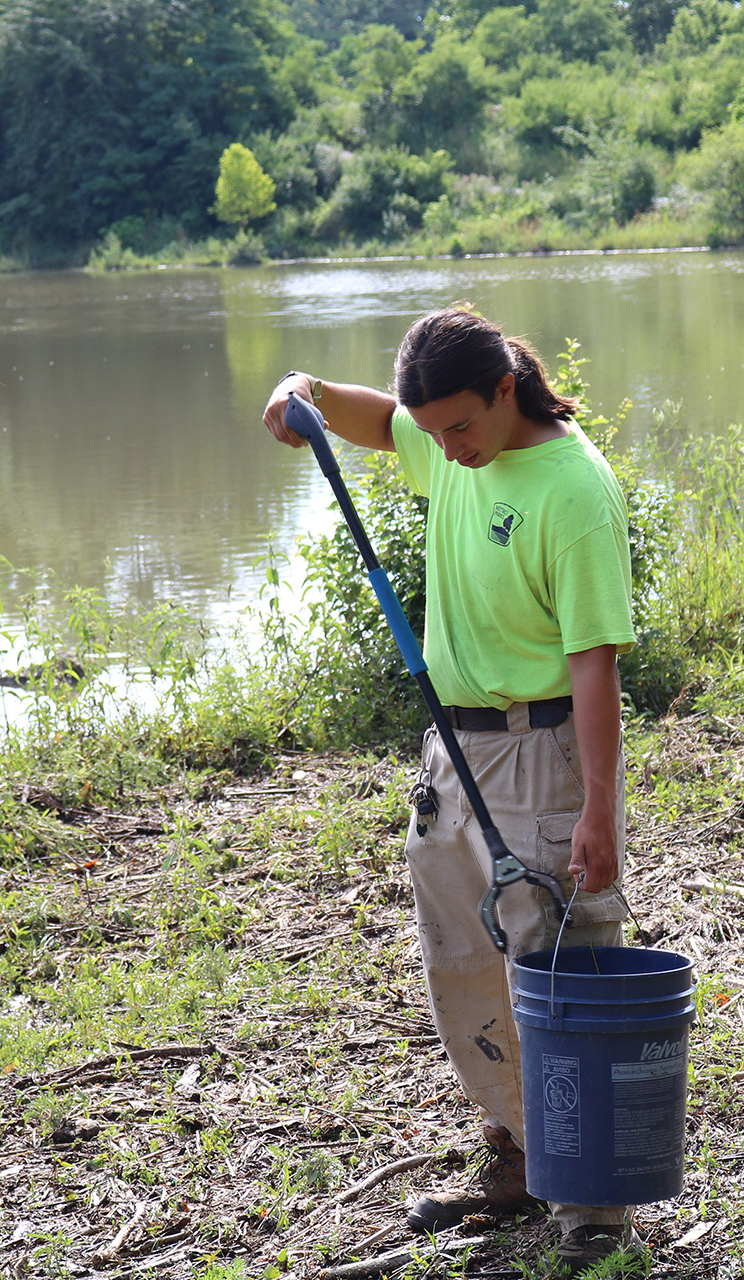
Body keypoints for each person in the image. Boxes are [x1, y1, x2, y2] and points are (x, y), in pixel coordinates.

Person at [261, 309, 639, 1276]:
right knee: (466, 969)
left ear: (507, 390)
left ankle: (593, 1205)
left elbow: (594, 664)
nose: (446, 450)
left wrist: (598, 807)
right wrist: (303, 390)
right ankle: (517, 1154)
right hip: (451, 759)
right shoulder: (443, 445)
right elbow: (377, 419)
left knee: (557, 972)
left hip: (541, 754)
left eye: (460, 428)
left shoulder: (572, 490)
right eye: (434, 434)